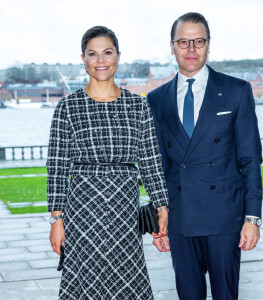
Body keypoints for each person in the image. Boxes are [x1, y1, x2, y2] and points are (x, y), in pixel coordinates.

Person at [47, 25, 169, 299]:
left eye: (107, 53)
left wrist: (162, 205)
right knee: (85, 283)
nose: (101, 60)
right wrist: (56, 219)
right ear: (83, 59)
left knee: (127, 281)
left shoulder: (138, 106)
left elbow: (150, 161)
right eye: (93, 54)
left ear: (118, 56)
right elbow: (56, 168)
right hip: (82, 213)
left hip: (124, 210)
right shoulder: (67, 107)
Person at [148, 12, 262, 300]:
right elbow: (156, 166)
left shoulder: (236, 91)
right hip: (180, 217)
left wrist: (253, 218)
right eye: (183, 41)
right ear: (171, 46)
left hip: (224, 217)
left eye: (198, 41)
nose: (191, 49)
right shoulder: (156, 99)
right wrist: (156, 221)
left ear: (209, 45)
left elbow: (250, 159)